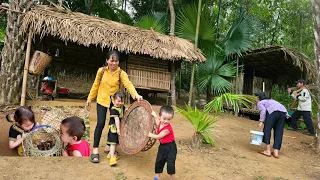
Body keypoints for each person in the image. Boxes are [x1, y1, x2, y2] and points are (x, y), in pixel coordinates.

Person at [86, 50, 143, 163]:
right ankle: (95, 150)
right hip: (102, 100)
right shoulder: (101, 71)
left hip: (116, 102)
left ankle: (109, 146)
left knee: (115, 124)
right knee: (100, 123)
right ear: (107, 60)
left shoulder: (121, 73)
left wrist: (136, 95)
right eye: (111, 61)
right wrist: (89, 98)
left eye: (116, 61)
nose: (114, 63)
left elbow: (128, 84)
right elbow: (95, 85)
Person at [255, 92, 289, 158]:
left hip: (272, 113)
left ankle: (268, 151)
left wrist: (261, 121)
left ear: (259, 98)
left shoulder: (260, 103)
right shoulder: (271, 100)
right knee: (279, 132)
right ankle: (276, 152)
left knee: (267, 130)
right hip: (282, 113)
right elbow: (282, 108)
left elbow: (263, 110)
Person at [149, 106, 177, 180]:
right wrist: (155, 116)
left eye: (169, 119)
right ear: (160, 117)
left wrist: (149, 134)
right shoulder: (160, 123)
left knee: (170, 164)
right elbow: (158, 122)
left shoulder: (168, 129)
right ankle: (157, 178)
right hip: (162, 147)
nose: (166, 121)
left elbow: (158, 136)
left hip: (171, 147)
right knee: (159, 161)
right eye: (164, 119)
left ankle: (172, 179)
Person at [105, 92, 125, 166]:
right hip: (114, 128)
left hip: (119, 127)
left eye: (122, 101)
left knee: (116, 142)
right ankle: (112, 158)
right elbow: (116, 120)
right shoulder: (113, 109)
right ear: (114, 101)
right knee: (113, 143)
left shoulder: (122, 107)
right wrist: (118, 130)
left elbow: (124, 113)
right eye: (118, 101)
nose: (120, 103)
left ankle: (110, 154)